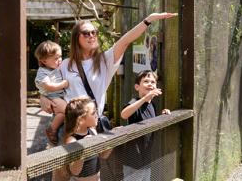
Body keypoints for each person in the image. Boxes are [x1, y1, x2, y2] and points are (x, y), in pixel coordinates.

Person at [41, 12, 177, 118]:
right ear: (76, 38)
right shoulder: (65, 64)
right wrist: (42, 97)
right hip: (67, 125)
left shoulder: (104, 60)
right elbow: (46, 84)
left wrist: (148, 20)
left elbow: (125, 41)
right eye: (86, 33)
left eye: (94, 32)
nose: (91, 36)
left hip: (90, 126)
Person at [120, 70, 171, 181]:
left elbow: (150, 122)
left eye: (153, 82)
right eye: (146, 81)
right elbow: (124, 114)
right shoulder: (135, 102)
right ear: (137, 87)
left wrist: (162, 116)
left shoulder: (152, 105)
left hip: (146, 158)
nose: (150, 84)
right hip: (133, 160)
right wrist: (144, 99)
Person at [64, 97, 112, 181]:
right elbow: (75, 171)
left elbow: (103, 155)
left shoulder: (93, 131)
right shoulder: (72, 140)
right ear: (81, 119)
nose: (97, 115)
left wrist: (113, 140)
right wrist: (83, 147)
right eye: (93, 113)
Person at [34, 40, 69, 145]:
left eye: (60, 56)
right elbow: (48, 87)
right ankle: (52, 129)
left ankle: (53, 129)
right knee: (67, 110)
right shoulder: (43, 71)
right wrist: (63, 84)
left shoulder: (56, 68)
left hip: (58, 96)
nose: (59, 60)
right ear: (44, 61)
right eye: (56, 58)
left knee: (63, 113)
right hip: (53, 97)